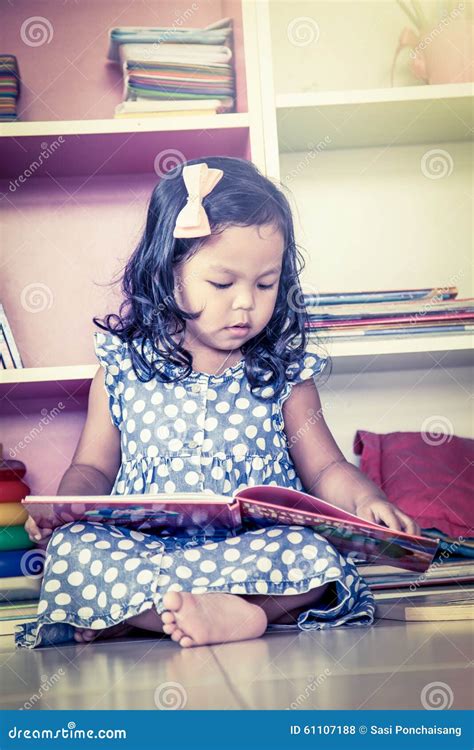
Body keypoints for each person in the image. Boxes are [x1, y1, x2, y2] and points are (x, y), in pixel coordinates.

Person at [20, 157, 420, 650]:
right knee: (74, 552)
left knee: (314, 550)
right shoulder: (123, 370)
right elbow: (92, 468)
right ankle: (208, 610)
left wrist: (366, 502)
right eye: (223, 284)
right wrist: (65, 508)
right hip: (148, 550)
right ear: (168, 274)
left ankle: (223, 613)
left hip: (251, 548)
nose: (246, 303)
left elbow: (326, 468)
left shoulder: (284, 375)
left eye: (265, 284)